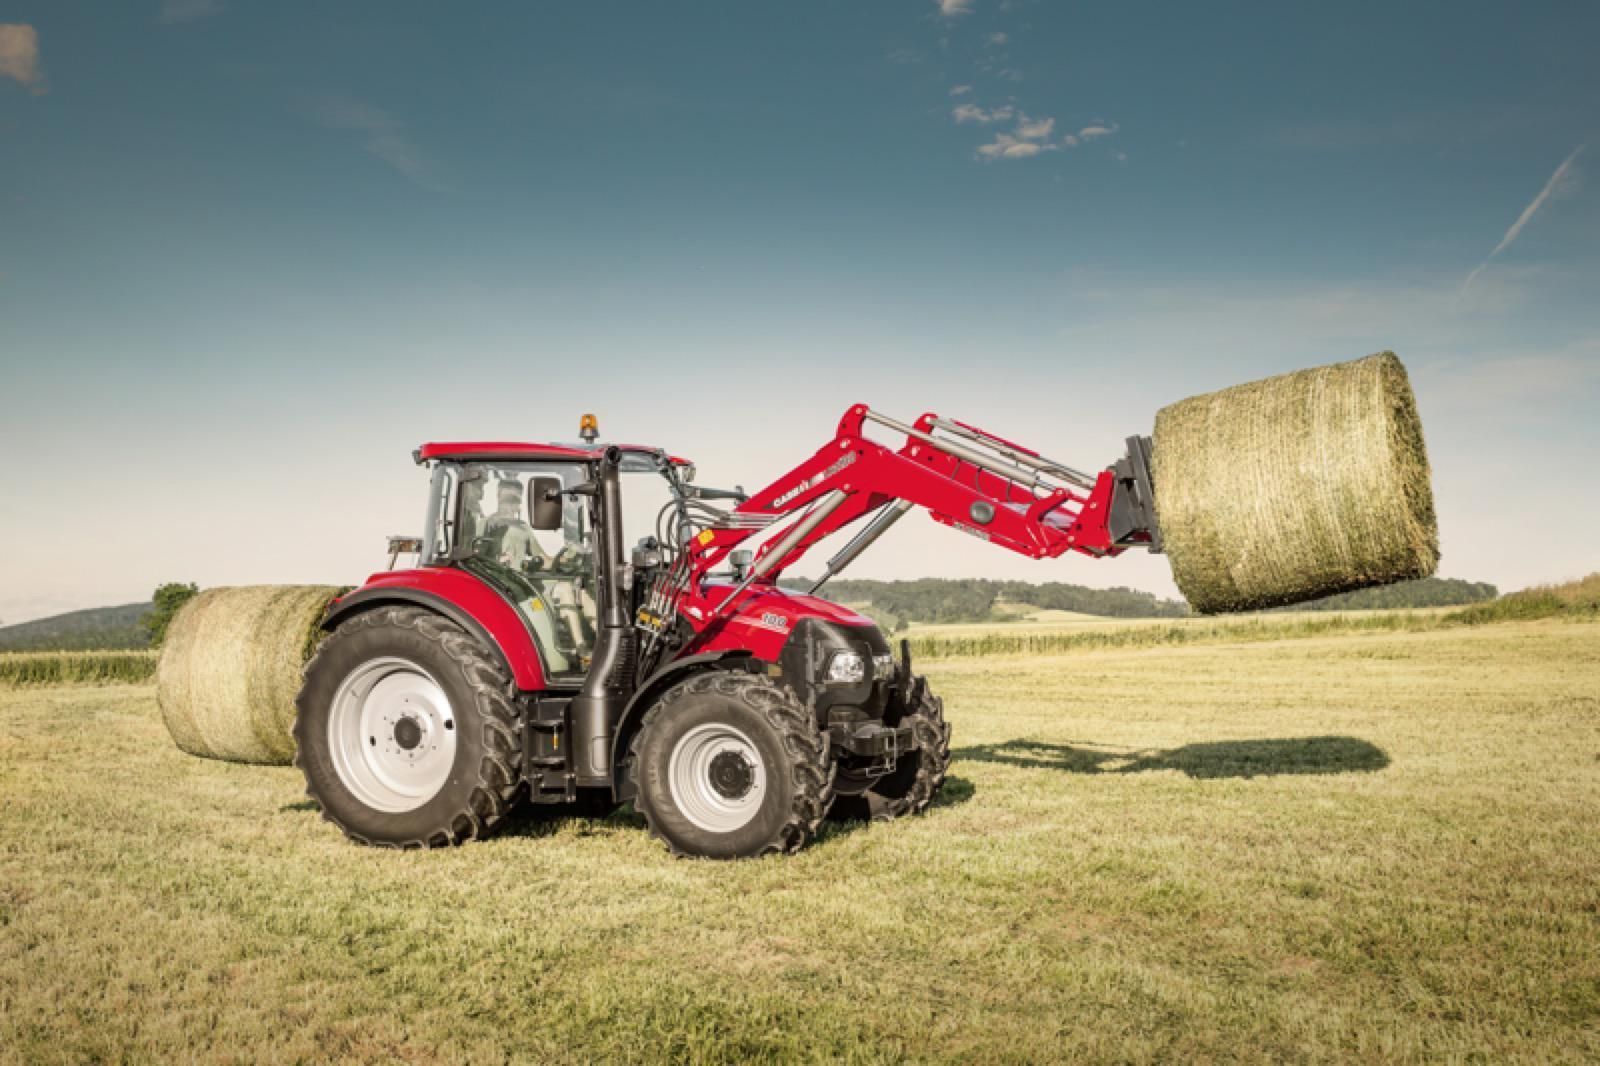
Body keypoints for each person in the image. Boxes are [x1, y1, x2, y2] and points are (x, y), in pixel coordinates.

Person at [483, 477, 551, 572]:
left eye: (515, 501)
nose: (511, 505)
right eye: (507, 500)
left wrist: (562, 560)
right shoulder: (486, 524)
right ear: (498, 497)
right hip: (493, 581)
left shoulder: (523, 527)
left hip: (518, 582)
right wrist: (497, 561)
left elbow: (541, 558)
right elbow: (473, 561)